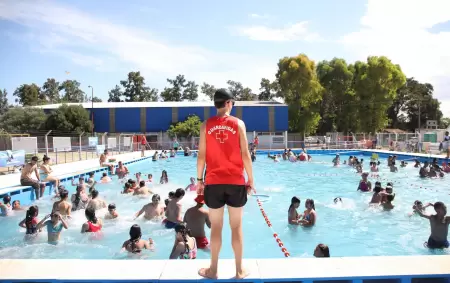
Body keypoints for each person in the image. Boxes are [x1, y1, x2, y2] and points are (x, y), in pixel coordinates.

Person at [196, 88, 255, 279]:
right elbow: (245, 154)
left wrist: (199, 181)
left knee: (216, 227)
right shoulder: (239, 124)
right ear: (228, 103)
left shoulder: (206, 125)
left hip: (213, 182)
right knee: (236, 226)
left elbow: (201, 156)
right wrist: (251, 178)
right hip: (236, 182)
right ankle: (239, 271)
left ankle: (213, 270)